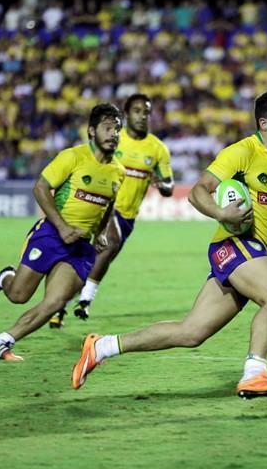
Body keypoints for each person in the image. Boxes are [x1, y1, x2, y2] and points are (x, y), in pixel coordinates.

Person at [70, 90, 267, 399]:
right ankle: (255, 375)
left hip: (254, 254)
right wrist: (222, 212)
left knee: (191, 333)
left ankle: (102, 346)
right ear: (265, 124)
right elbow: (198, 192)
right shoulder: (241, 153)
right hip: (234, 243)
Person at [0, 104, 126, 361]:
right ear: (91, 131)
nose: (114, 134)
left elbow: (108, 204)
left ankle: (2, 342)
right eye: (107, 128)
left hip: (80, 247)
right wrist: (63, 227)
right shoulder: (72, 157)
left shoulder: (119, 172)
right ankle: (5, 277)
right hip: (51, 235)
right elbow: (40, 188)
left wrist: (102, 232)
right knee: (18, 295)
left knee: (55, 302)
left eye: (117, 129)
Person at [50, 94, 174, 327]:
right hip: (102, 207)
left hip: (128, 216)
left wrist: (162, 185)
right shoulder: (113, 139)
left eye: (146, 111)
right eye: (137, 111)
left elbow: (169, 185)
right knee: (109, 242)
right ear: (126, 114)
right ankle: (85, 299)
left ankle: (62, 305)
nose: (142, 116)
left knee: (93, 260)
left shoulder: (158, 149)